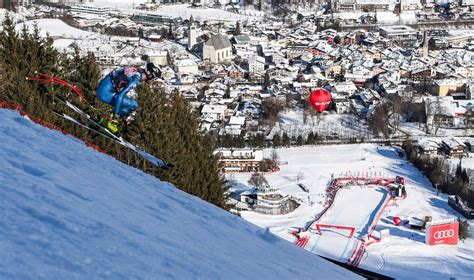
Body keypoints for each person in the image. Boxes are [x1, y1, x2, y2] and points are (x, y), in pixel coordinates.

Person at [96, 63, 161, 133]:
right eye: (155, 78)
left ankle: (106, 118)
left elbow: (117, 72)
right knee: (134, 105)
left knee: (129, 102)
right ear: (150, 75)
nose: (154, 81)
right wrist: (115, 117)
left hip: (104, 87)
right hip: (105, 93)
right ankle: (110, 121)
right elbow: (120, 95)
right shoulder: (136, 79)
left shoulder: (137, 70)